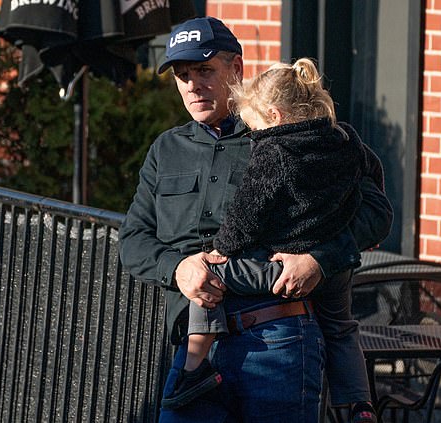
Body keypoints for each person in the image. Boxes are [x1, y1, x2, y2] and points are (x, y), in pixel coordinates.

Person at [119, 16, 392, 423]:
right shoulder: (165, 150)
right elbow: (133, 240)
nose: (193, 85)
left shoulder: (287, 132)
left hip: (277, 341)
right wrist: (177, 268)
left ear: (237, 69)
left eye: (205, 70)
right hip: (194, 351)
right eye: (183, 75)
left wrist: (319, 259)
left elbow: (375, 212)